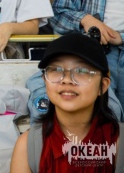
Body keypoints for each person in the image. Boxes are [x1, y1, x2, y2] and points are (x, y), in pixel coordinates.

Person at [11, 32, 120, 172]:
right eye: (56, 69)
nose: (67, 80)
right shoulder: (28, 146)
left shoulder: (119, 143)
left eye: (81, 70)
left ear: (103, 86)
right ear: (45, 81)